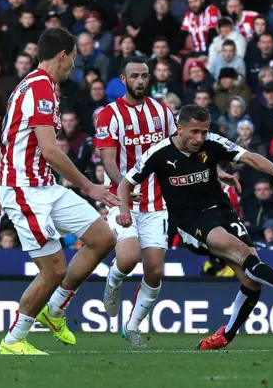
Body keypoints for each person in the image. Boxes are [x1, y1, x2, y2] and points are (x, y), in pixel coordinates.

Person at [116, 104, 273, 350]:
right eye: (194, 132)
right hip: (191, 221)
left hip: (221, 210)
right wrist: (124, 210)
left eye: (204, 132)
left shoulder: (212, 142)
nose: (200, 138)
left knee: (252, 278)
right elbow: (125, 184)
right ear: (179, 129)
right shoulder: (159, 153)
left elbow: (249, 156)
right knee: (240, 251)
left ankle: (225, 336)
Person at [0, 28, 120, 355]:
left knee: (103, 237)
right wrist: (89, 186)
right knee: (54, 269)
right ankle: (13, 341)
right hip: (25, 190)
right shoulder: (42, 88)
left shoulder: (27, 86)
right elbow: (50, 150)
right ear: (62, 54)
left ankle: (54, 309)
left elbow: (6, 145)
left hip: (44, 186)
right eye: (73, 57)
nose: (74, 64)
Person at [94, 57, 176, 347]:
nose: (140, 81)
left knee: (154, 270)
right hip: (120, 195)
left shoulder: (162, 112)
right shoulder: (110, 114)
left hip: (155, 201)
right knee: (128, 259)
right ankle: (113, 283)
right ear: (123, 79)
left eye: (144, 75)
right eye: (134, 76)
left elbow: (178, 151)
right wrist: (124, 195)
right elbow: (107, 159)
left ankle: (133, 326)